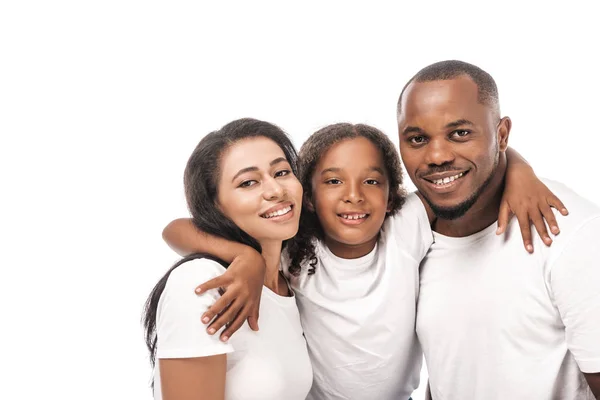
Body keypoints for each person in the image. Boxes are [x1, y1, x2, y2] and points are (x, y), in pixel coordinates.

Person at [163, 122, 565, 399]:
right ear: (310, 196)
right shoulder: (295, 248)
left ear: (392, 195)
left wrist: (521, 171)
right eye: (333, 181)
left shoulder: (406, 224)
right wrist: (244, 256)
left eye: (371, 182)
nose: (354, 195)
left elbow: (468, 174)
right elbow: (176, 228)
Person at [396, 60, 600, 399]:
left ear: (501, 134)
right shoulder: (410, 235)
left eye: (459, 133)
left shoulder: (571, 234)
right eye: (417, 138)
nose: (436, 156)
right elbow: (457, 369)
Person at [142, 118, 313, 400]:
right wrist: (246, 256)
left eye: (281, 172)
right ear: (215, 206)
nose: (275, 190)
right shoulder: (202, 281)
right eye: (248, 182)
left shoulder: (288, 278)